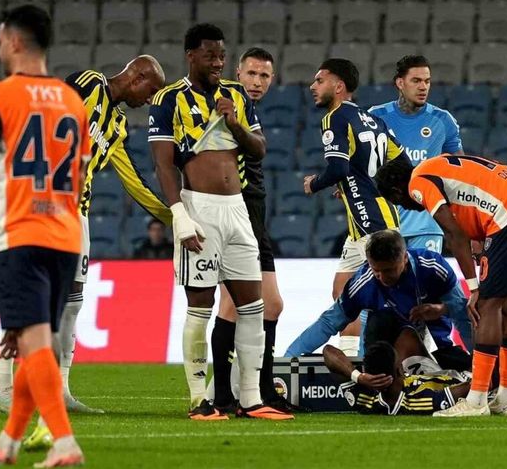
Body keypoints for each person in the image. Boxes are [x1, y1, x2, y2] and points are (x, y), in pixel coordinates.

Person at [0, 57, 171, 425]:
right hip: (44, 203)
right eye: (150, 91)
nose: (149, 100)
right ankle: (3, 381)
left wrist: (175, 216)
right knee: (31, 293)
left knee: (72, 302)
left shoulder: (117, 127)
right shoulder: (89, 83)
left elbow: (134, 182)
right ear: (136, 76)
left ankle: (60, 387)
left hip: (78, 215)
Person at [149, 23, 289, 420]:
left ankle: (251, 399)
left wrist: (235, 124)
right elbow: (163, 164)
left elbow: (259, 149)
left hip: (238, 210)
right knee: (200, 306)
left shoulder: (236, 96)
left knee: (252, 306)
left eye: (222, 56)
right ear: (191, 55)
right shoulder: (168, 99)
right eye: (210, 55)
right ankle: (199, 400)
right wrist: (179, 215)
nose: (218, 62)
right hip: (200, 209)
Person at [0, 4, 90, 467]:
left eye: (0, 40)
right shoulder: (72, 102)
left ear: (14, 41)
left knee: (34, 343)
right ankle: (9, 438)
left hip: (20, 233)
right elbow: (80, 175)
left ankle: (63, 441)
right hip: (66, 236)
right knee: (36, 343)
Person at [376, 154, 507, 417]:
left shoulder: (417, 182)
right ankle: (505, 399)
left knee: (486, 307)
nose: (407, 206)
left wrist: (474, 288)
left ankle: (477, 400)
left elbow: (454, 234)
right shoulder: (437, 165)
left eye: (398, 202)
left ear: (396, 191)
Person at [205, 47, 299, 413]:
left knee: (267, 305)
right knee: (236, 304)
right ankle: (228, 395)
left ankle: (253, 390)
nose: (257, 82)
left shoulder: (247, 109)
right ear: (238, 73)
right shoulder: (225, 104)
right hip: (237, 210)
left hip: (255, 212)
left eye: (264, 76)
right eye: (252, 74)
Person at [304, 58, 408, 355]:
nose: (312, 86)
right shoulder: (374, 120)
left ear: (339, 86)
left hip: (370, 224)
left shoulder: (334, 118)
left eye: (319, 80)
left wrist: (314, 183)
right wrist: (360, 183)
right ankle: (351, 358)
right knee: (342, 292)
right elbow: (403, 165)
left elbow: (337, 167)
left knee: (388, 300)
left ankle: (402, 358)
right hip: (371, 224)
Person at [285, 230, 472, 371]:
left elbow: (463, 315)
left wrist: (442, 309)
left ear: (404, 258)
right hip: (385, 345)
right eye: (376, 270)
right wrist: (288, 360)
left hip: (438, 342)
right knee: (380, 320)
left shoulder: (433, 267)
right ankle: (379, 376)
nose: (381, 277)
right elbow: (329, 322)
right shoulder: (362, 283)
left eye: (389, 270)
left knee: (465, 366)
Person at [368, 55, 463, 253]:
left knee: (424, 274)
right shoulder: (376, 117)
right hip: (384, 223)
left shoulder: (442, 120)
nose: (423, 87)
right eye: (416, 81)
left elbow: (461, 170)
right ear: (400, 83)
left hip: (426, 225)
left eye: (427, 81)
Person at [323, 340, 471, 416]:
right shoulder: (422, 400)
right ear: (400, 369)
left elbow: (327, 351)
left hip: (427, 372)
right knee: (407, 332)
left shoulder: (363, 398)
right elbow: (471, 386)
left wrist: (358, 377)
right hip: (459, 375)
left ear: (366, 371)